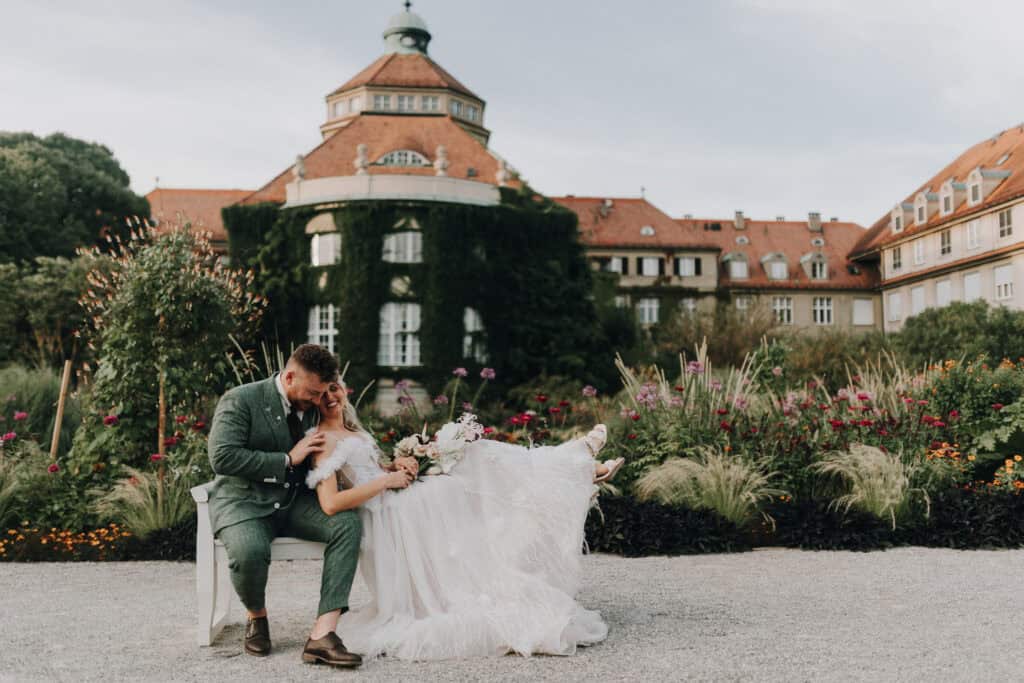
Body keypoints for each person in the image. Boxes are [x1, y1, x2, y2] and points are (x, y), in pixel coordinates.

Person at [305, 378, 623, 660]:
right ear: (312, 399)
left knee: (476, 460)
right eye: (321, 394)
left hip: (398, 500)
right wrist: (386, 482)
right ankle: (574, 465)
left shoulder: (352, 431)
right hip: (387, 516)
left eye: (334, 388)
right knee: (474, 464)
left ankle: (573, 467)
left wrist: (397, 466)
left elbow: (371, 472)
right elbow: (331, 503)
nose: (330, 396)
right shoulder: (322, 440)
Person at [205, 344, 364, 668]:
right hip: (243, 502)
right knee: (249, 551)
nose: (317, 400)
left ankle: (323, 634)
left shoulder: (317, 401)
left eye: (322, 393)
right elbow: (221, 457)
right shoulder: (240, 399)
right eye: (311, 393)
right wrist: (287, 459)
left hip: (295, 502)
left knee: (346, 524)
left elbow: (347, 436)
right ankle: (257, 616)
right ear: (289, 376)